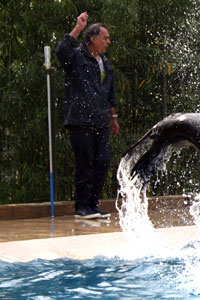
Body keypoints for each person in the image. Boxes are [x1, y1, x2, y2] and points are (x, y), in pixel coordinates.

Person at [55, 12, 120, 219]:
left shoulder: (104, 62)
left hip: (101, 120)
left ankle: (93, 206)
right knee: (85, 163)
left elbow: (110, 92)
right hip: (81, 120)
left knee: (102, 162)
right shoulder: (75, 57)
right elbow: (60, 50)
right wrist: (78, 28)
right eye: (105, 38)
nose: (108, 41)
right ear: (93, 39)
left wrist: (113, 117)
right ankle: (82, 207)